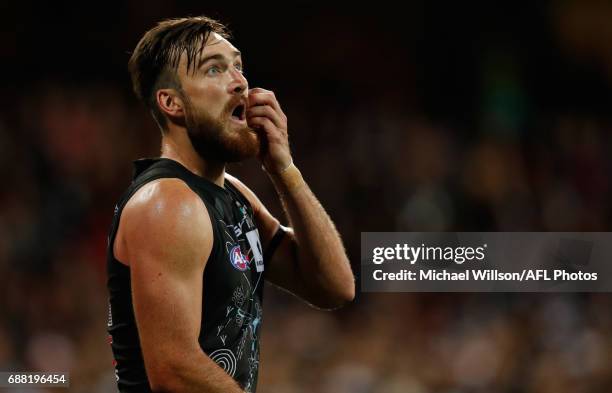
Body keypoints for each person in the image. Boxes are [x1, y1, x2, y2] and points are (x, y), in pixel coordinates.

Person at [106, 16, 355, 393]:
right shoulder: (168, 203)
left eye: (238, 66)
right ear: (172, 103)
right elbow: (174, 370)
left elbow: (333, 286)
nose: (240, 82)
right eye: (214, 70)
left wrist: (284, 168)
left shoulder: (233, 196)